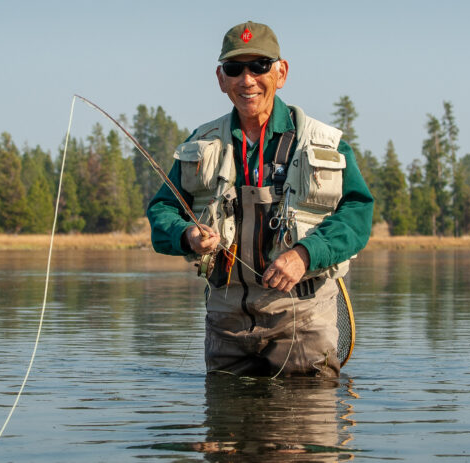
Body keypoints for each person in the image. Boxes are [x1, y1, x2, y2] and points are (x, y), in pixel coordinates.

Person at [147, 21, 373, 377]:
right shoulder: (200, 144)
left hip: (304, 318)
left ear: (281, 73)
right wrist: (187, 235)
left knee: (306, 413)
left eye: (259, 66)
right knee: (223, 412)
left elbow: (357, 215)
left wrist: (305, 254)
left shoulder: (325, 143)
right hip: (226, 320)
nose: (247, 79)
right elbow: (163, 209)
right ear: (221, 78)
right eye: (234, 69)